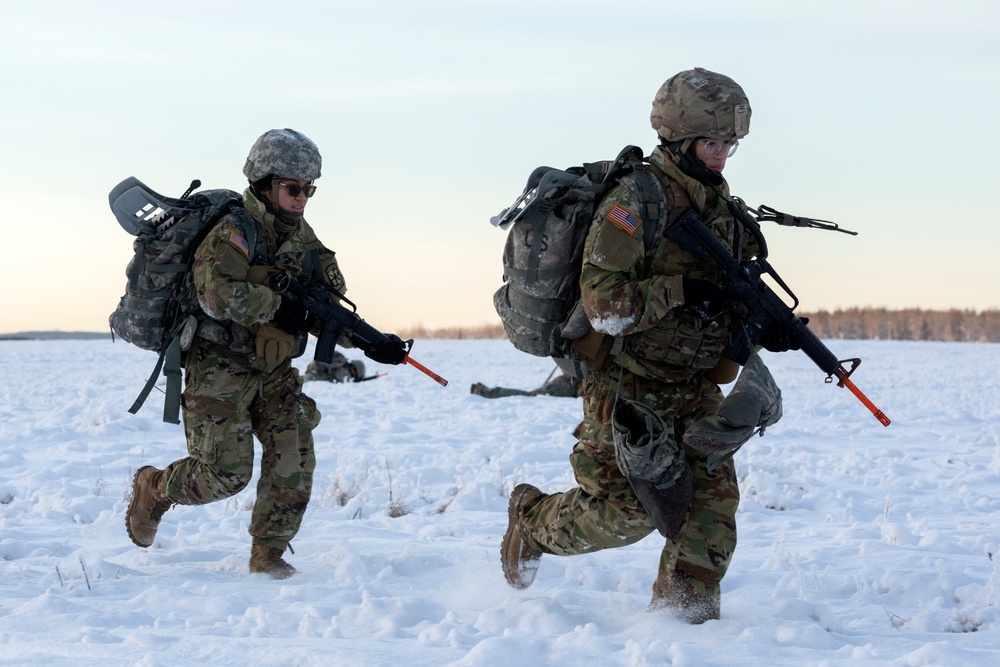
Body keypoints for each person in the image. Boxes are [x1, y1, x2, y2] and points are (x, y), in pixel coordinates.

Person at [500, 69, 788, 622]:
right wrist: (683, 290)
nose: (723, 155)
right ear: (678, 137)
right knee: (625, 511)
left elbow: (730, 295)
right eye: (712, 142)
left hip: (694, 384)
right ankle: (532, 522)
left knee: (710, 509)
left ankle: (685, 623)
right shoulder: (634, 202)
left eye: (730, 144)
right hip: (627, 384)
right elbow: (605, 302)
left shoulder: (725, 210)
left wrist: (757, 325)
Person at [125, 128, 408, 578]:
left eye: (309, 189)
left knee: (294, 453)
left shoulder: (304, 239)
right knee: (225, 474)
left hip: (274, 366)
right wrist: (280, 305)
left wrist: (371, 342)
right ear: (264, 183)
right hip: (220, 364)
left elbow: (324, 307)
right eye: (293, 188)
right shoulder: (235, 229)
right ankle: (154, 487)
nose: (302, 198)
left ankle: (268, 555)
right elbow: (215, 293)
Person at [470, 368, 583, 399]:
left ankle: (487, 392)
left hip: (568, 384)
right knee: (530, 396)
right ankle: (487, 392)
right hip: (568, 385)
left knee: (530, 396)